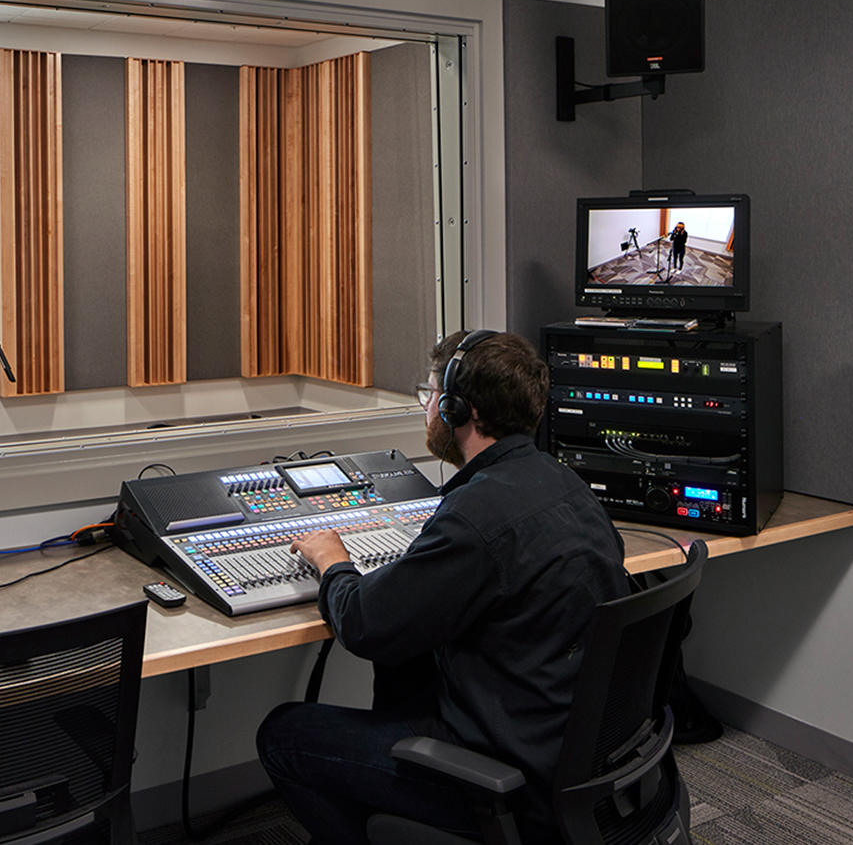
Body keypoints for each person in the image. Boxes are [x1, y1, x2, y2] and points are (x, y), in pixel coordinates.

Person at [256, 330, 628, 845]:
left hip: (510, 780)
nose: (427, 406)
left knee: (283, 734)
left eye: (430, 394)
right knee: (406, 670)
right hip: (571, 754)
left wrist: (334, 562)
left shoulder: (477, 516)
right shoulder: (566, 485)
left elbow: (364, 624)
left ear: (458, 410)